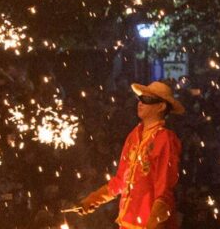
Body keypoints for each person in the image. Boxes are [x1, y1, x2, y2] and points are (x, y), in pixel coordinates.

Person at [75, 81, 182, 229]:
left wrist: (153, 223)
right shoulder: (134, 136)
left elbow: (164, 190)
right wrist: (93, 199)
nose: (140, 102)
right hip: (127, 223)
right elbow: (121, 180)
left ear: (161, 106)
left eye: (147, 99)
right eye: (140, 98)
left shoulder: (165, 139)